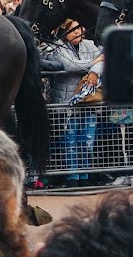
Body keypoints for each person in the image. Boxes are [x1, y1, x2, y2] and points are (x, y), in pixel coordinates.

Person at [39, 19, 103, 180]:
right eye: (72, 29)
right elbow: (70, 65)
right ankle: (72, 177)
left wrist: (94, 71)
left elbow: (103, 61)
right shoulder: (57, 47)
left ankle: (85, 176)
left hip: (89, 100)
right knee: (70, 140)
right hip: (68, 102)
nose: (76, 32)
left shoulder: (89, 44)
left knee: (88, 139)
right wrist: (94, 62)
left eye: (79, 28)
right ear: (65, 30)